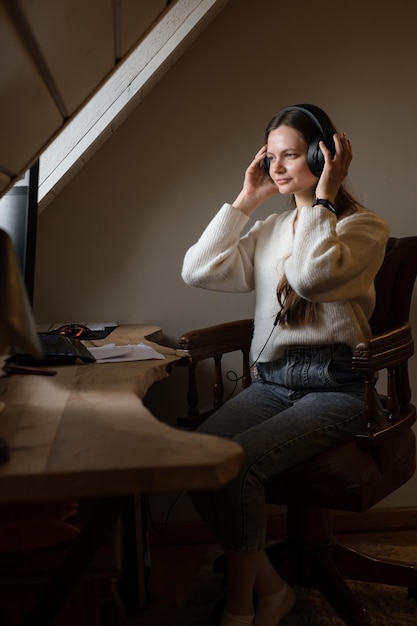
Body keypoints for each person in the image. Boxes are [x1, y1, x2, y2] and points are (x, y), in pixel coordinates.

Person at [181, 104, 390, 626]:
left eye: (290, 155)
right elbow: (197, 270)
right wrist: (246, 201)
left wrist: (321, 200)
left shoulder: (364, 228)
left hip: (338, 388)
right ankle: (272, 588)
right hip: (274, 382)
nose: (276, 166)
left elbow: (313, 277)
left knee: (240, 464)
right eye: (270, 156)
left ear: (324, 156)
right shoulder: (271, 229)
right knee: (199, 457)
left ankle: (239, 606)